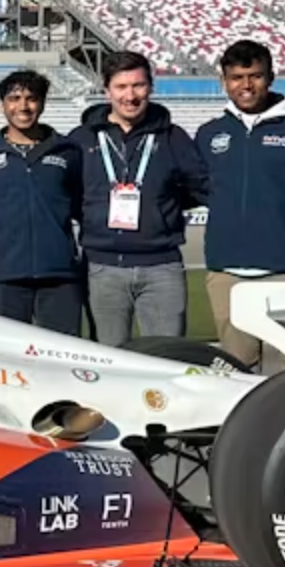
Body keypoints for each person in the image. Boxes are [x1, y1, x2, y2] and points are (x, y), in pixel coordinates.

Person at [69, 50, 209, 346]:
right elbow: (69, 193)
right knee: (107, 360)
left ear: (150, 88)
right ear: (106, 90)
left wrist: (158, 208)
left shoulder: (174, 137)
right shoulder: (81, 139)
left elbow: (198, 188)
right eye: (121, 86)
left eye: (138, 86)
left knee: (167, 359)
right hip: (101, 267)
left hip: (162, 268)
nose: (130, 96)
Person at [195, 41, 285, 368]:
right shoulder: (209, 134)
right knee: (235, 371)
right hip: (227, 274)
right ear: (224, 81)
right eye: (237, 77)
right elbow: (202, 189)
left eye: (255, 76)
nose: (246, 85)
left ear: (271, 77)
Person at [0, 70, 84, 335]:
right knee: (6, 360)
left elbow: (82, 205)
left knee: (64, 358)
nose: (23, 106)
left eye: (31, 98)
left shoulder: (67, 151)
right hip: (5, 276)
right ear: (2, 104)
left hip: (59, 275)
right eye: (14, 98)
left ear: (43, 103)